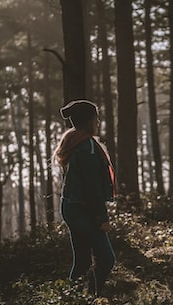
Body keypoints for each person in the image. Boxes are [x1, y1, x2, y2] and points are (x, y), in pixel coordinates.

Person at [54, 100, 115, 296]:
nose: (98, 121)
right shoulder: (87, 146)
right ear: (89, 120)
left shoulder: (74, 141)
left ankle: (74, 298)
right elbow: (92, 188)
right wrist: (102, 218)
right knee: (106, 259)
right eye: (96, 117)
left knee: (82, 261)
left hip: (71, 208)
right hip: (83, 210)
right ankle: (91, 296)